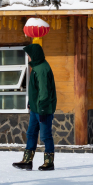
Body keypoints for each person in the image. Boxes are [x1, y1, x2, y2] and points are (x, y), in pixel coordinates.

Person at [12, 42, 57, 171]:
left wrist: (42, 107)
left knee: (45, 135)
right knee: (31, 133)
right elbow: (35, 90)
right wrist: (31, 102)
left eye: (29, 55)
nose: (28, 57)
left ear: (34, 55)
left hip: (43, 109)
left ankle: (49, 162)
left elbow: (43, 91)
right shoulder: (37, 67)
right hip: (36, 108)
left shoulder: (41, 69)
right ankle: (27, 161)